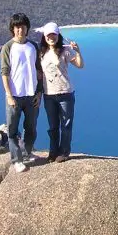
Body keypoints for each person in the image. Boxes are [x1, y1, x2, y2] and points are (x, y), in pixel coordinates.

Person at [0, 13, 43, 173]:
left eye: (23, 26)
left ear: (27, 28)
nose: (20, 30)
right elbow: (4, 73)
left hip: (32, 95)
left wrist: (39, 93)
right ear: (13, 29)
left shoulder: (33, 46)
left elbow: (39, 71)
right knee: (12, 130)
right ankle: (16, 160)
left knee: (31, 128)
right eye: (17, 27)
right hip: (15, 96)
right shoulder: (7, 47)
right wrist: (9, 95)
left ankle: (27, 153)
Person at [39, 22, 84, 163]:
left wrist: (78, 51)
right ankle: (53, 152)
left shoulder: (65, 50)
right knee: (52, 126)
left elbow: (80, 65)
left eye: (54, 34)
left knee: (66, 125)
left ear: (58, 35)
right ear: (44, 36)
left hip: (65, 93)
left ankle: (64, 152)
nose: (51, 37)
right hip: (49, 95)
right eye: (48, 35)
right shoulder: (41, 52)